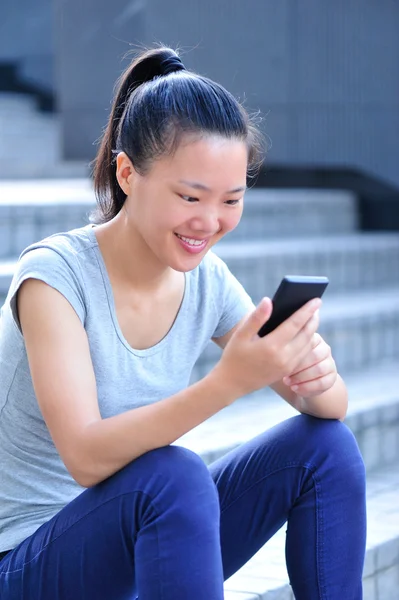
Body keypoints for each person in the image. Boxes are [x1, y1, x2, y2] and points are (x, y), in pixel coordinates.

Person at [0, 46, 366, 600]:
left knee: (327, 450)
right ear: (127, 173)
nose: (210, 221)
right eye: (190, 196)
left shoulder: (206, 281)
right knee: (173, 475)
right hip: (28, 560)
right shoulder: (54, 278)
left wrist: (315, 373)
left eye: (231, 200)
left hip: (139, 535)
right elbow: (87, 457)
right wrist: (227, 384)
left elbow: (330, 410)